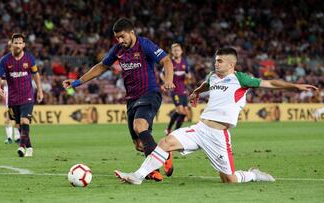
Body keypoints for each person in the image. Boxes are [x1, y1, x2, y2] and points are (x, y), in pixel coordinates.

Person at [114, 47, 318, 184]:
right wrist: (196, 92)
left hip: (219, 135)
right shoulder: (213, 76)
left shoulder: (240, 78)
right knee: (166, 142)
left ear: (231, 64)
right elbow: (207, 84)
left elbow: (271, 83)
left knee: (229, 179)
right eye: (215, 60)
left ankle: (252, 175)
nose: (215, 63)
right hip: (200, 128)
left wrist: (295, 86)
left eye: (219, 61)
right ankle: (138, 176)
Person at [63, 18, 175, 181]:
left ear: (132, 32)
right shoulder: (118, 50)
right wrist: (77, 82)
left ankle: (151, 169)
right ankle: (164, 153)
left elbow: (166, 60)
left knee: (139, 126)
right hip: (131, 98)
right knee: (138, 144)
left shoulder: (144, 44)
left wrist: (169, 80)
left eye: (123, 36)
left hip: (149, 93)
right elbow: (101, 66)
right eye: (117, 38)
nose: (120, 40)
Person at [0, 33, 44, 157]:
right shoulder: (5, 60)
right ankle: (29, 147)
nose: (18, 45)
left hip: (27, 95)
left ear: (23, 45)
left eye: (20, 43)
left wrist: (39, 89)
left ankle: (22, 147)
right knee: (18, 124)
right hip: (12, 97)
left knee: (24, 120)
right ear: (11, 44)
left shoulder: (29, 58)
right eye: (15, 43)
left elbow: (35, 74)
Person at [161, 43, 191, 135]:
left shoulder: (184, 62)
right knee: (180, 110)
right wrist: (167, 82)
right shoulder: (169, 62)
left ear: (181, 51)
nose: (177, 52)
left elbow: (189, 75)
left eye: (178, 50)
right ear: (172, 52)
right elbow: (162, 74)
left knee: (185, 112)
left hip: (183, 90)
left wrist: (188, 77)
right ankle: (170, 129)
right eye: (175, 50)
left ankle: (175, 131)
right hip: (175, 90)